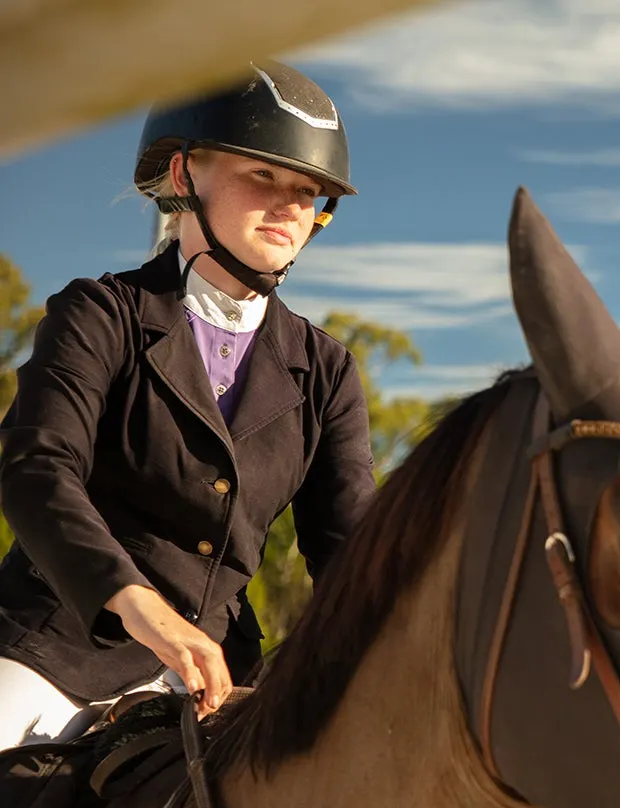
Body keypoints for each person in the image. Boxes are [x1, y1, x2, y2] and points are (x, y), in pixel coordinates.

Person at [0, 61, 375, 747]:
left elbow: (353, 553)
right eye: (263, 174)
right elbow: (36, 471)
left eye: (308, 190)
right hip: (59, 654)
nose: (290, 205)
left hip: (219, 677)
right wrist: (140, 607)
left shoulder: (327, 371)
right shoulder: (99, 314)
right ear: (183, 175)